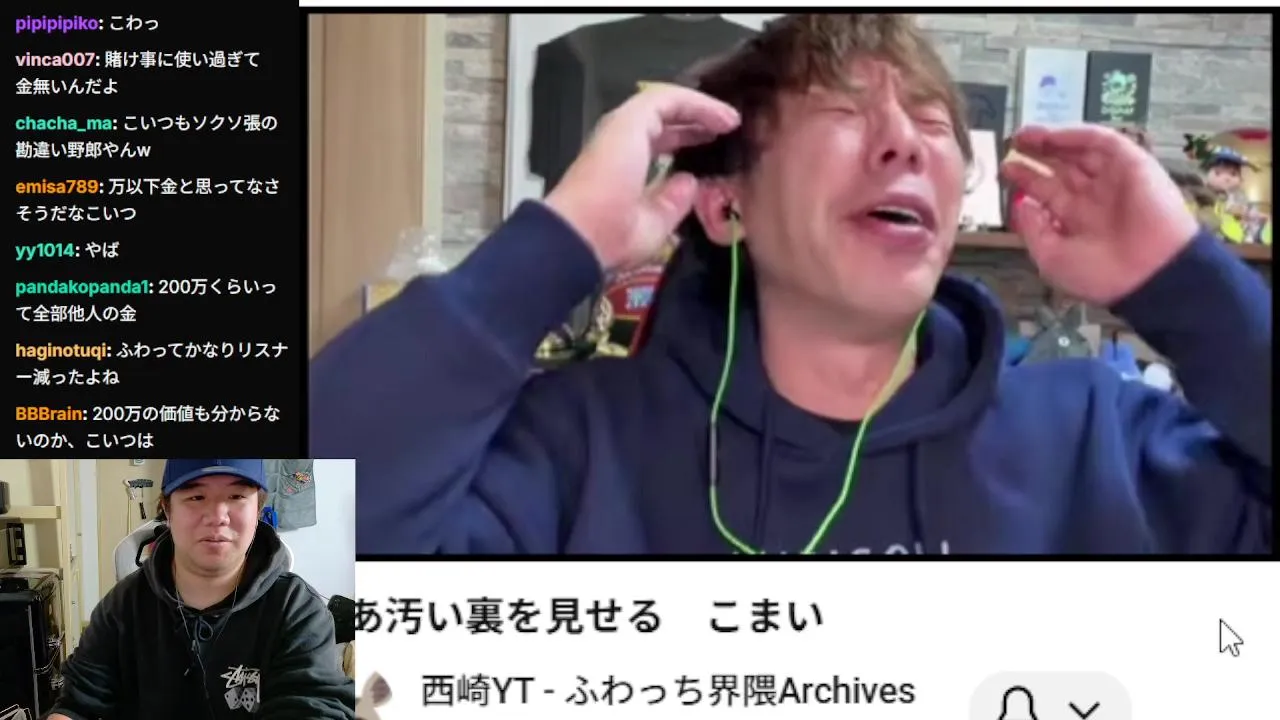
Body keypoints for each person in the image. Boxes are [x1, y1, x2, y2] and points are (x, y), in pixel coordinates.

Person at [311, 14, 1271, 555]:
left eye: (932, 123)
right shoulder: (579, 448)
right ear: (727, 206)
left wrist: (1188, 283)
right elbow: (270, 548)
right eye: (845, 113)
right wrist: (554, 249)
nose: (904, 143)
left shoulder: (1104, 441)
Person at [49, 459, 354, 719]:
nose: (218, 516)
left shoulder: (296, 609)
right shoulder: (123, 605)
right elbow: (77, 704)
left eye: (237, 496)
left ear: (258, 510)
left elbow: (312, 706)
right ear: (167, 509)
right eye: (196, 497)